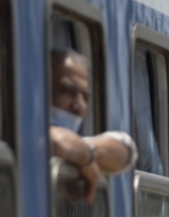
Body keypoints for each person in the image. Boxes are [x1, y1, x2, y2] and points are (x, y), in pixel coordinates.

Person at [49, 48, 138, 200]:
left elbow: (126, 151)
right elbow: (55, 142)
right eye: (67, 91)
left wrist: (85, 152)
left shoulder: (80, 146)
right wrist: (87, 159)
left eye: (85, 97)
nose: (79, 106)